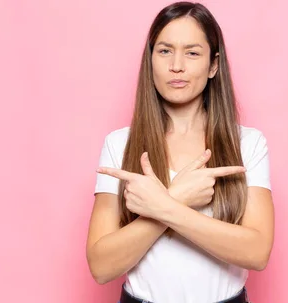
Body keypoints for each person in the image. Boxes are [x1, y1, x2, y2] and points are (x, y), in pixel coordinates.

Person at [86, 2, 274, 302]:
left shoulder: (248, 144)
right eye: (164, 51)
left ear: (213, 65)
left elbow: (257, 252)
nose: (177, 65)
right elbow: (101, 266)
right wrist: (179, 197)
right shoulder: (119, 144)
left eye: (192, 52)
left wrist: (166, 206)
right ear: (150, 60)